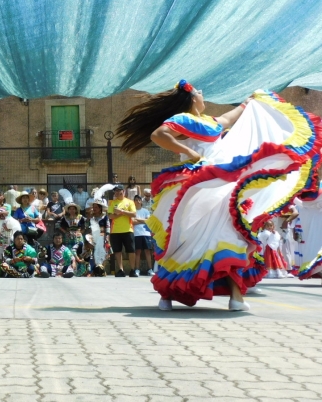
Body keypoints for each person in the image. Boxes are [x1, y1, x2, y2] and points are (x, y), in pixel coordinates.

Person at [116, 80, 322, 311]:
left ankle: (213, 297)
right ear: (193, 99)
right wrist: (191, 153)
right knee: (195, 239)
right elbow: (159, 134)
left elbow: (228, 118)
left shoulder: (210, 122)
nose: (203, 95)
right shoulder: (183, 119)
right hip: (200, 186)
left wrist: (249, 102)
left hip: (220, 187)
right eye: (200, 93)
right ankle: (179, 296)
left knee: (218, 237)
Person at [107, 185, 137, 278]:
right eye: (115, 191)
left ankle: (133, 270)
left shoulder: (130, 202)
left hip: (128, 230)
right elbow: (110, 216)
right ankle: (121, 270)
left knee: (131, 250)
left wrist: (121, 212)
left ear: (123, 191)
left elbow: (133, 214)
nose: (116, 193)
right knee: (117, 251)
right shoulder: (112, 202)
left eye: (118, 191)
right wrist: (122, 213)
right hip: (115, 231)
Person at [132, 195, 153, 277]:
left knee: (148, 252)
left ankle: (150, 269)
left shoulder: (145, 211)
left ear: (141, 201)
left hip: (146, 233)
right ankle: (137, 269)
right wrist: (143, 221)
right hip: (136, 234)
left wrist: (138, 220)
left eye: (139, 200)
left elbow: (148, 221)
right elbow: (133, 222)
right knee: (138, 252)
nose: (137, 201)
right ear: (134, 202)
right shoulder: (133, 211)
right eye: (136, 200)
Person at [89, 199, 110, 274]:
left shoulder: (104, 217)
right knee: (94, 252)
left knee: (103, 252)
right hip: (94, 236)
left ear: (100, 208)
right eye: (93, 207)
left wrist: (107, 236)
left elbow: (107, 227)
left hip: (102, 236)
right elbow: (89, 227)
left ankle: (102, 269)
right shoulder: (92, 217)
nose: (94, 208)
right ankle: (96, 269)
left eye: (96, 207)